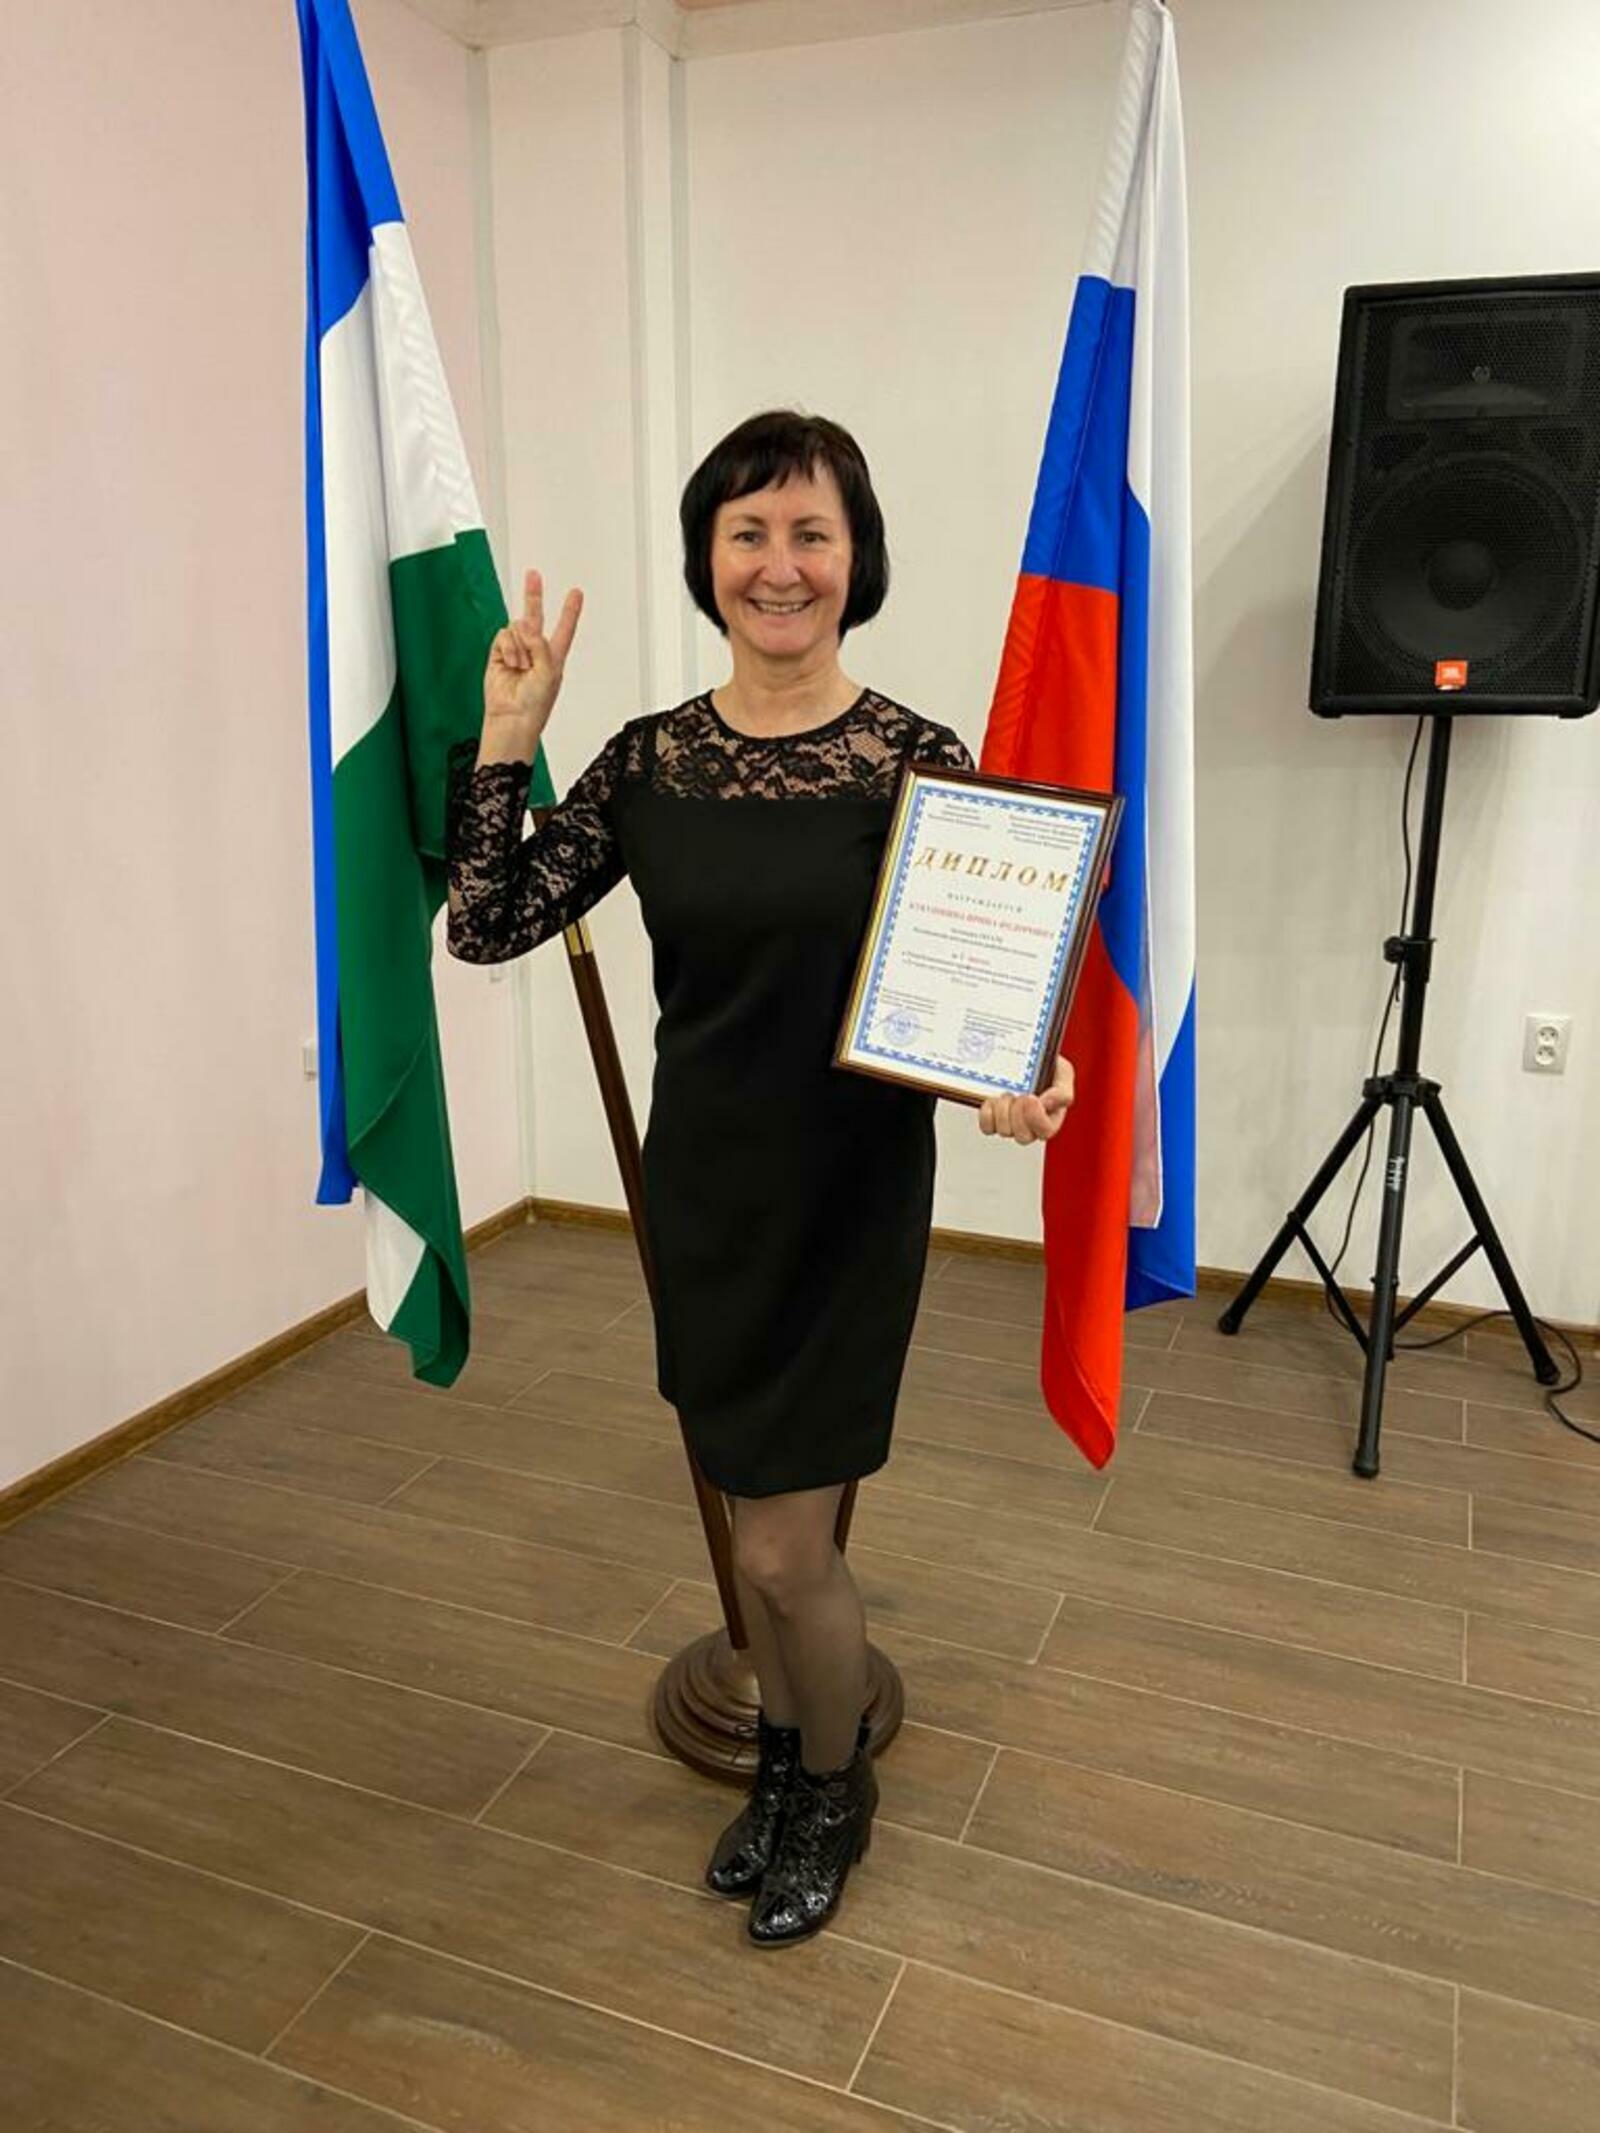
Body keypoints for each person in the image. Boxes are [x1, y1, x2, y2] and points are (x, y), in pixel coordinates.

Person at [446, 409, 1075, 1947]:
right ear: (707, 558)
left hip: (849, 1197)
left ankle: (835, 1790)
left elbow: (978, 988)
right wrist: (509, 736)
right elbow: (487, 918)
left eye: (810, 533)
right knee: (754, 1535)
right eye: (748, 532)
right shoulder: (650, 760)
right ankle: (790, 1761)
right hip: (708, 1195)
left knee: (790, 1549)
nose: (779, 564)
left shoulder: (917, 760)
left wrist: (1022, 1070)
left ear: (857, 560)